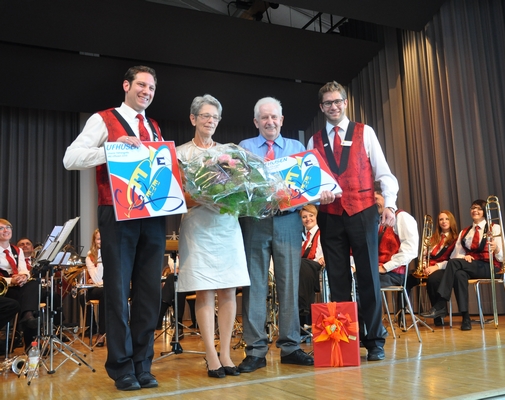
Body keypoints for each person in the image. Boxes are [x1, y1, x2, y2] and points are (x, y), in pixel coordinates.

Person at [63, 66, 165, 391]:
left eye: (151, 87)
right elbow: (70, 158)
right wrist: (111, 149)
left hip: (153, 215)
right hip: (117, 213)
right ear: (126, 85)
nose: (146, 91)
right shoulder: (103, 119)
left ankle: (143, 365)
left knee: (149, 293)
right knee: (118, 292)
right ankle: (121, 367)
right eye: (141, 85)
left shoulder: (154, 126)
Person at [307, 81, 399, 361]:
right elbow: (311, 185)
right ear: (321, 107)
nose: (333, 106)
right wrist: (317, 196)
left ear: (345, 103)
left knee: (369, 276)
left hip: (362, 211)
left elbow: (384, 173)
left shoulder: (365, 132)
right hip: (330, 215)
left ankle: (375, 340)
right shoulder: (314, 141)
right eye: (328, 103)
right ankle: (345, 340)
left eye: (337, 101)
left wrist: (390, 204)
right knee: (338, 280)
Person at [237, 97, 316, 373]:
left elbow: (309, 185)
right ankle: (255, 350)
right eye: (264, 117)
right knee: (255, 286)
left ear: (282, 120)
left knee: (289, 284)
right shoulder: (244, 148)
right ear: (256, 122)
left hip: (288, 222)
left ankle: (291, 347)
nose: (270, 122)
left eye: (274, 117)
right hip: (255, 222)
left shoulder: (297, 148)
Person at [176, 94, 250, 378]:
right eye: (205, 116)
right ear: (193, 119)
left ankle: (226, 353)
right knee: (205, 290)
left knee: (229, 289)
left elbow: (241, 191)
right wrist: (205, 197)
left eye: (215, 117)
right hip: (197, 228)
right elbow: (178, 198)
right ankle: (210, 354)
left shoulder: (229, 154)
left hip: (227, 226)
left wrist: (234, 195)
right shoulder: (180, 154)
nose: (210, 121)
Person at [421, 200, 505, 331]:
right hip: (472, 265)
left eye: (478, 208)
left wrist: (497, 249)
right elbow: (456, 256)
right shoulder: (465, 232)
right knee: (459, 274)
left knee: (454, 264)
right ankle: (465, 318)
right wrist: (464, 257)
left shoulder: (494, 228)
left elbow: (503, 257)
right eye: (473, 208)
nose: (475, 210)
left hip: (489, 266)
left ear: (484, 211)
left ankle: (440, 304)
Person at [0, 219, 39, 347]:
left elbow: (23, 268)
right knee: (29, 300)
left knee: (33, 284)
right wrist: (11, 280)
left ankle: (28, 317)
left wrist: (23, 276)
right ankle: (31, 346)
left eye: (8, 227)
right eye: (1, 228)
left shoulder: (17, 250)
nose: (6, 230)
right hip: (4, 288)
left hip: (17, 286)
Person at [421, 211, 459, 326]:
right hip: (428, 268)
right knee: (406, 279)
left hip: (445, 269)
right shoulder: (432, 238)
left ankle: (438, 313)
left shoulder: (456, 239)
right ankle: (401, 315)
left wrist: (435, 267)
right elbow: (424, 254)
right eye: (441, 219)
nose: (444, 221)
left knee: (433, 279)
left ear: (451, 221)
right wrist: (424, 265)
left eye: (447, 219)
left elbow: (454, 260)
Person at [298, 204, 324, 327]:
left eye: (311, 215)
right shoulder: (304, 238)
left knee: (301, 264)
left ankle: (304, 308)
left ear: (316, 216)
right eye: (304, 217)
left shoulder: (322, 233)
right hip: (304, 269)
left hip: (317, 268)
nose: (308, 219)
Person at [81, 229, 105, 347]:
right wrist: (102, 255)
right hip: (97, 288)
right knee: (104, 293)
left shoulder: (114, 252)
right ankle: (102, 333)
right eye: (99, 239)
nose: (102, 241)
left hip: (109, 287)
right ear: (94, 241)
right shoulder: (90, 256)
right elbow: (96, 278)